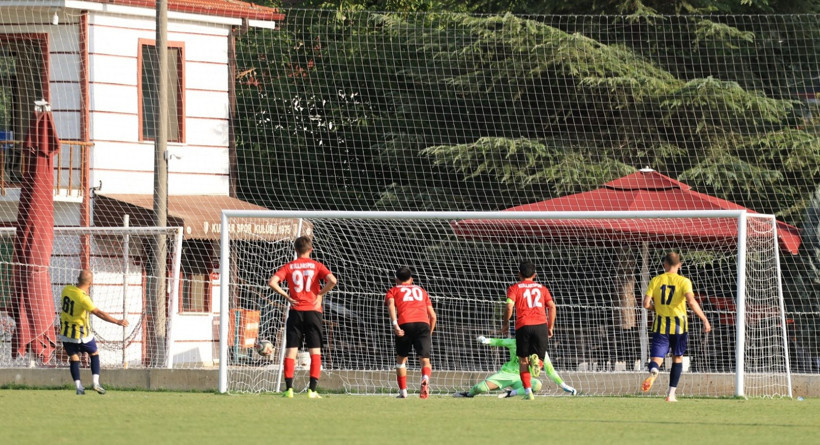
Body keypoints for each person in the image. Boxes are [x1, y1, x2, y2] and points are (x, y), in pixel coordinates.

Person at [269, 236, 338, 399]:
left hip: (295, 311)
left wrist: (286, 295)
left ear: (295, 250)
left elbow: (272, 282)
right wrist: (321, 293)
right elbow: (333, 280)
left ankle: (289, 389)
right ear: (310, 249)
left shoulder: (290, 266)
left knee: (291, 350)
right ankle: (312, 391)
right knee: (315, 351)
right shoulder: (317, 266)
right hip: (313, 312)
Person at [641, 252, 712, 402]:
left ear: (664, 265)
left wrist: (657, 308)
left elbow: (646, 304)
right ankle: (670, 394)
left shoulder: (656, 280)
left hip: (660, 326)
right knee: (677, 358)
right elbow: (692, 303)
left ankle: (654, 370)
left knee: (657, 358)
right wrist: (704, 319)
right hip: (679, 327)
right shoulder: (684, 281)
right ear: (679, 265)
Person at [58, 269, 129, 395]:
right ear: (90, 283)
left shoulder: (66, 290)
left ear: (77, 279)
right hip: (81, 334)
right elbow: (99, 313)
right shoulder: (84, 298)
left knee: (74, 358)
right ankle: (95, 383)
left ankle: (79, 387)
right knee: (94, 353)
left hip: (66, 333)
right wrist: (117, 321)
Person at [453, 335, 576, 398]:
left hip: (523, 379)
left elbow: (550, 371)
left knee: (537, 384)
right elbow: (499, 341)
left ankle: (510, 394)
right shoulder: (515, 343)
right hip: (507, 374)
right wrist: (486, 340)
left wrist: (563, 385)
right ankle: (468, 395)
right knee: (480, 388)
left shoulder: (542, 352)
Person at [502, 260, 556, 400]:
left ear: (519, 274)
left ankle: (528, 392)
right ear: (535, 275)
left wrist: (505, 323)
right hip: (541, 325)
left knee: (523, 361)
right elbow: (552, 306)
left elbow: (509, 307)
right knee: (539, 359)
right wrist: (550, 326)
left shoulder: (514, 288)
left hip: (523, 326)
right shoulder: (542, 288)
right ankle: (537, 362)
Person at [385, 266, 437, 399]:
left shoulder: (393, 290)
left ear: (396, 279)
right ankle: (425, 377)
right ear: (411, 279)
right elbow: (433, 316)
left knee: (401, 359)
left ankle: (403, 392)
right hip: (423, 324)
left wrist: (395, 325)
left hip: (405, 324)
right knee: (425, 360)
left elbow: (391, 305)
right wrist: (428, 333)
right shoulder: (421, 290)